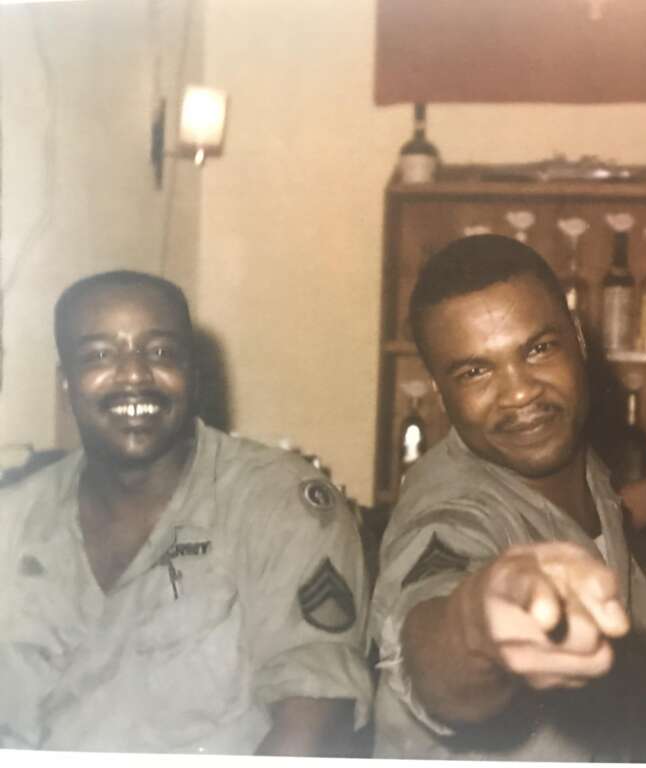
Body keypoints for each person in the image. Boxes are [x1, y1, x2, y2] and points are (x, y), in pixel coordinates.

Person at [369, 234, 646, 760]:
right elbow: (430, 641)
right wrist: (480, 626)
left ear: (578, 339)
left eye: (538, 349)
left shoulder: (551, 453)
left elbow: (587, 523)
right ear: (439, 389)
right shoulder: (447, 514)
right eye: (475, 371)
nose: (520, 392)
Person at [0, 271, 373, 755]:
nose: (134, 375)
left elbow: (315, 722)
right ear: (66, 385)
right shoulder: (14, 519)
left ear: (194, 376)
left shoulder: (278, 504)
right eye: (98, 355)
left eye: (160, 352)